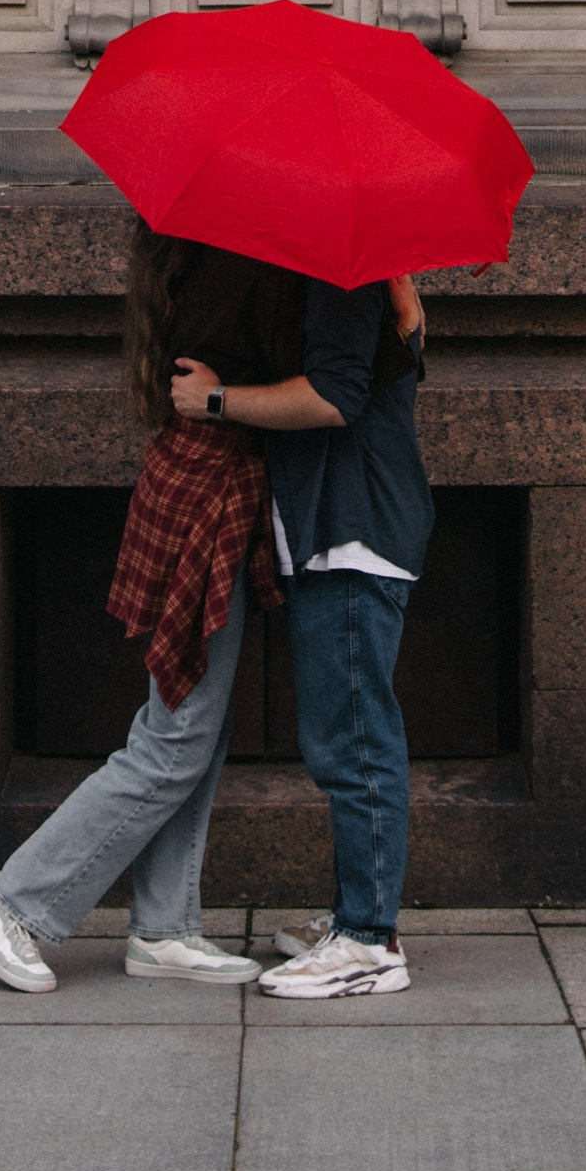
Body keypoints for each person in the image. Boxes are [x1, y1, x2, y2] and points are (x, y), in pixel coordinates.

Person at [0, 220, 301, 992]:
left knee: (189, 732)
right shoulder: (233, 262)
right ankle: (12, 900)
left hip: (205, 487)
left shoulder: (194, 249)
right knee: (174, 739)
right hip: (205, 493)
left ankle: (165, 928)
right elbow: (296, 380)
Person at [173, 268, 433, 1002]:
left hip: (351, 531)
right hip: (344, 526)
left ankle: (367, 941)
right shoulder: (372, 278)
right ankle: (359, 916)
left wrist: (215, 401)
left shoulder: (343, 278)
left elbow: (334, 396)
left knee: (353, 742)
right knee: (348, 737)